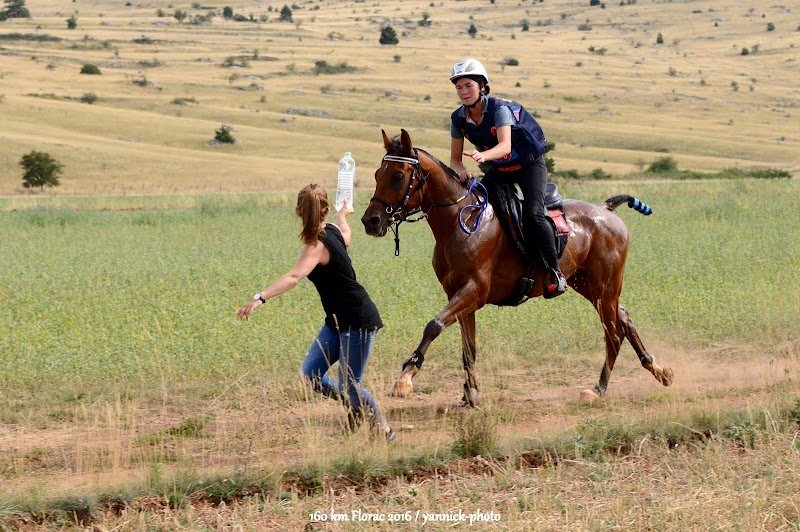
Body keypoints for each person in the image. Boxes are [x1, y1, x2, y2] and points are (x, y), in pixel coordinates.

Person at [236, 184, 394, 441]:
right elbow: (346, 236)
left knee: (351, 385)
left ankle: (383, 430)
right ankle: (354, 406)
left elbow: (295, 275)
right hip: (335, 322)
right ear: (326, 210)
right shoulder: (331, 230)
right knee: (310, 376)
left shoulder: (317, 245)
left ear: (298, 211)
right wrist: (343, 216)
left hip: (357, 320)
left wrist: (260, 298)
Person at [448, 58, 567, 298]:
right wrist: (461, 172)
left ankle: (554, 273)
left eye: (468, 85)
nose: (463, 91)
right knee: (478, 208)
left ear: (482, 86)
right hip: (501, 170)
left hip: (529, 165)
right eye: (459, 87)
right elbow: (455, 160)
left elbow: (504, 146)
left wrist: (483, 155)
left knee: (533, 214)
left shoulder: (499, 109)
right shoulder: (458, 118)